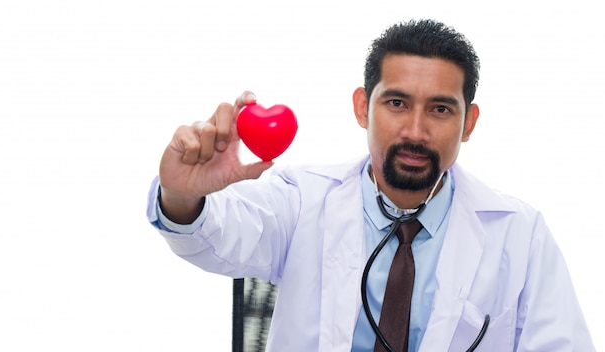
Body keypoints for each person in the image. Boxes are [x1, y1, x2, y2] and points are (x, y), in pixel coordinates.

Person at [146, 19, 595, 351]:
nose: (415, 131)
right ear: (363, 107)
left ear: (468, 122)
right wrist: (185, 192)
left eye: (440, 109)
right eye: (397, 103)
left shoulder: (520, 234)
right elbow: (212, 235)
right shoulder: (301, 200)